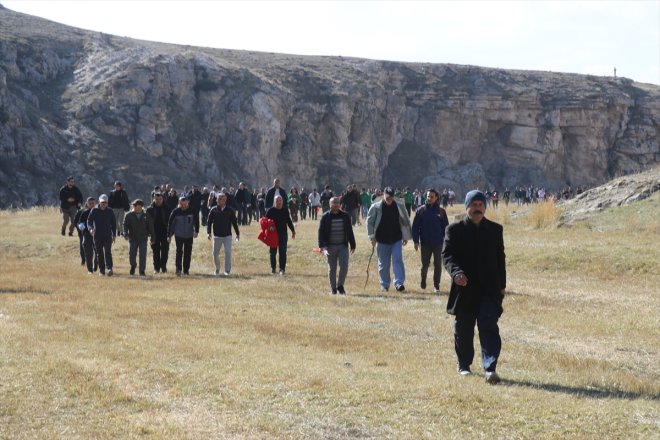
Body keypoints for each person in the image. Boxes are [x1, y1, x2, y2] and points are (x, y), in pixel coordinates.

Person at [441, 190, 506, 384]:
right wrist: (456, 273)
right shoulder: (454, 230)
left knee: (488, 325)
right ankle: (464, 365)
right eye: (473, 205)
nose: (477, 209)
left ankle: (490, 368)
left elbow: (500, 258)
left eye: (480, 205)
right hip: (465, 288)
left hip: (489, 288)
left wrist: (502, 285)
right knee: (464, 328)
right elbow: (447, 256)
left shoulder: (495, 230)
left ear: (485, 207)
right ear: (467, 207)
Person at [366, 187, 412, 292]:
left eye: (391, 197)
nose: (390, 199)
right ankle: (384, 285)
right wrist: (372, 237)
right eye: (387, 197)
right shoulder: (376, 207)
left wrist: (405, 236)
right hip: (381, 240)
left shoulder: (399, 205)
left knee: (398, 261)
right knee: (383, 264)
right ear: (383, 195)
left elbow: (405, 220)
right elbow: (369, 222)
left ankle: (399, 283)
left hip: (396, 238)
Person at [412, 189, 449, 293]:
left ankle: (436, 286)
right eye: (428, 196)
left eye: (431, 196)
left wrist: (447, 241)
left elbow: (446, 228)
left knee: (438, 265)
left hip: (438, 243)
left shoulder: (441, 212)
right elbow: (415, 227)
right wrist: (416, 241)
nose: (429, 198)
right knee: (425, 265)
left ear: (436, 198)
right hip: (425, 243)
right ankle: (423, 280)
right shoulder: (421, 210)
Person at [318, 197, 356, 294]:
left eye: (337, 202)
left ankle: (340, 285)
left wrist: (352, 243)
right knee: (332, 268)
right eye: (333, 203)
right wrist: (321, 245)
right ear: (330, 204)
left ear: (340, 204)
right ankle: (333, 289)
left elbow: (350, 231)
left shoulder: (345, 216)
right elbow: (320, 232)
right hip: (329, 247)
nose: (335, 204)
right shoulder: (325, 216)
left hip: (343, 246)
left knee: (344, 266)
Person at [207, 192, 240, 276]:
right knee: (215, 254)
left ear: (225, 200)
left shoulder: (230, 210)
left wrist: (237, 233)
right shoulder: (213, 210)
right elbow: (209, 222)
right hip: (217, 235)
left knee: (228, 252)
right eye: (219, 199)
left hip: (227, 235)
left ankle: (227, 270)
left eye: (223, 199)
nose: (220, 200)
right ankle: (217, 268)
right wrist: (208, 232)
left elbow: (234, 222)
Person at [168, 196, 199, 276]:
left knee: (188, 252)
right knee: (179, 251)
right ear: (179, 204)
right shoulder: (175, 212)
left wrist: (196, 231)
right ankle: (178, 269)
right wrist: (169, 235)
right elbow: (171, 224)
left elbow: (196, 221)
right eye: (182, 204)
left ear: (187, 203)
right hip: (179, 235)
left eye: (185, 204)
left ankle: (186, 270)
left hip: (189, 235)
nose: (183, 206)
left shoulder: (192, 211)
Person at [86, 194, 117, 276]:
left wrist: (114, 235)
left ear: (107, 203)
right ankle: (102, 271)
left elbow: (114, 224)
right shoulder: (94, 210)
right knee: (99, 253)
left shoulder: (110, 211)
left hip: (107, 235)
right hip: (97, 235)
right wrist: (91, 229)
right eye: (102, 202)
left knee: (107, 251)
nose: (104, 204)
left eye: (105, 202)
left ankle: (109, 268)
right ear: (99, 202)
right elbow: (89, 221)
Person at [123, 199, 154, 277]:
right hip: (132, 238)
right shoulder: (129, 215)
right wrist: (125, 234)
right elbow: (125, 225)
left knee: (143, 255)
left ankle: (142, 271)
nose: (136, 207)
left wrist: (153, 237)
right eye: (135, 206)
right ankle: (133, 266)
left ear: (141, 206)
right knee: (132, 255)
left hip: (143, 238)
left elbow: (150, 227)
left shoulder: (146, 215)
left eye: (138, 206)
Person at [265, 195, 295, 275]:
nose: (279, 202)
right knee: (273, 252)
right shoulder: (270, 211)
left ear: (282, 201)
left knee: (282, 252)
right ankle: (273, 268)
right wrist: (268, 228)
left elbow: (288, 221)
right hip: (273, 235)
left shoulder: (285, 210)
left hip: (283, 234)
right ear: (274, 202)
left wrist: (293, 231)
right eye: (277, 200)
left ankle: (282, 269)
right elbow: (264, 222)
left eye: (280, 200)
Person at [146, 192, 171, 273]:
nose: (158, 201)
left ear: (162, 199)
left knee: (165, 250)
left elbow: (171, 222)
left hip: (165, 232)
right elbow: (146, 222)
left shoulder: (167, 208)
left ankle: (163, 266)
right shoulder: (149, 209)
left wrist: (170, 233)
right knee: (155, 251)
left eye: (160, 199)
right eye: (156, 199)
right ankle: (156, 268)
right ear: (153, 199)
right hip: (154, 233)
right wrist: (149, 234)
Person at [76, 197, 98, 274]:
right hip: (87, 235)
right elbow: (80, 223)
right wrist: (81, 226)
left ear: (95, 204)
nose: (92, 205)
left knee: (98, 252)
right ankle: (90, 270)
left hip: (97, 236)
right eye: (90, 203)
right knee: (88, 253)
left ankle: (96, 265)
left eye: (93, 203)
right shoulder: (84, 213)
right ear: (87, 204)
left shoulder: (98, 212)